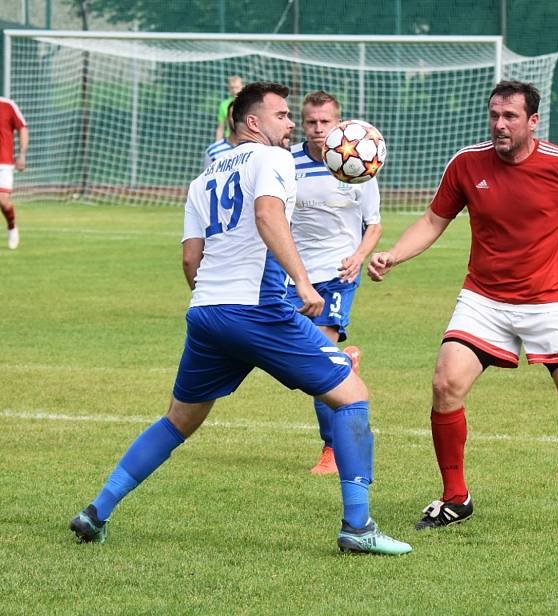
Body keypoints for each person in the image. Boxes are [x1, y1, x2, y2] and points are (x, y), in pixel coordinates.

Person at [69, 81, 411, 556]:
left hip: (206, 312)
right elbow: (269, 215)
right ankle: (358, 527)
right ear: (253, 122)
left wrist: (219, 305)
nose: (291, 125)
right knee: (352, 394)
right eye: (284, 116)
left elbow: (191, 259)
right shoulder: (272, 159)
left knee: (177, 422)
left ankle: (96, 511)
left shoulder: (203, 177)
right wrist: (303, 283)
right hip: (260, 309)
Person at [368, 80, 558, 537]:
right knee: (446, 383)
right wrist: (394, 255)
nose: (499, 124)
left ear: (532, 121)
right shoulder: (466, 163)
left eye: (510, 117)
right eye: (494, 115)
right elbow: (434, 219)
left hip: (547, 301)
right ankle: (456, 497)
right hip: (483, 299)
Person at [288, 91, 382, 475]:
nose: (317, 129)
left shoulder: (359, 161)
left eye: (325, 122)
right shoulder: (287, 162)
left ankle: (331, 449)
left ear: (338, 123)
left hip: (338, 276)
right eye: (310, 122)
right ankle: (348, 361)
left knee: (318, 362)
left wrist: (358, 256)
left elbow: (373, 224)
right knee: (299, 360)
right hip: (295, 277)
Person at [0, 96, 28, 250]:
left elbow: (22, 128)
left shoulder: (7, 105)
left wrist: (22, 154)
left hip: (3, 163)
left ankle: (12, 227)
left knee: (3, 202)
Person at [214, 75, 244, 141]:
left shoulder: (248, 102)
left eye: (237, 87)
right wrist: (217, 144)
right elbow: (221, 127)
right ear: (229, 88)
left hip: (245, 139)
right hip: (230, 140)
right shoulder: (224, 105)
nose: (234, 90)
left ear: (242, 86)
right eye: (232, 88)